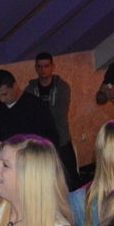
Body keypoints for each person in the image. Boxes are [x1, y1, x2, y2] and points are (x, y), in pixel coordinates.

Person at [28, 53, 79, 189]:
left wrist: (38, 113)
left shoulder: (62, 87)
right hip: (40, 141)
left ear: (52, 67)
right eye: (39, 67)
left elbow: (59, 113)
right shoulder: (30, 89)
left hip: (61, 140)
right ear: (35, 68)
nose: (42, 70)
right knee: (46, 182)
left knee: (70, 180)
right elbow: (29, 114)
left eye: (46, 66)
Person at [0, 69, 60, 156]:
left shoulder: (36, 105)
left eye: (4, 94)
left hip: (33, 160)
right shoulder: (0, 108)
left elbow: (52, 139)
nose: (1, 100)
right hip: (10, 160)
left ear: (15, 86)